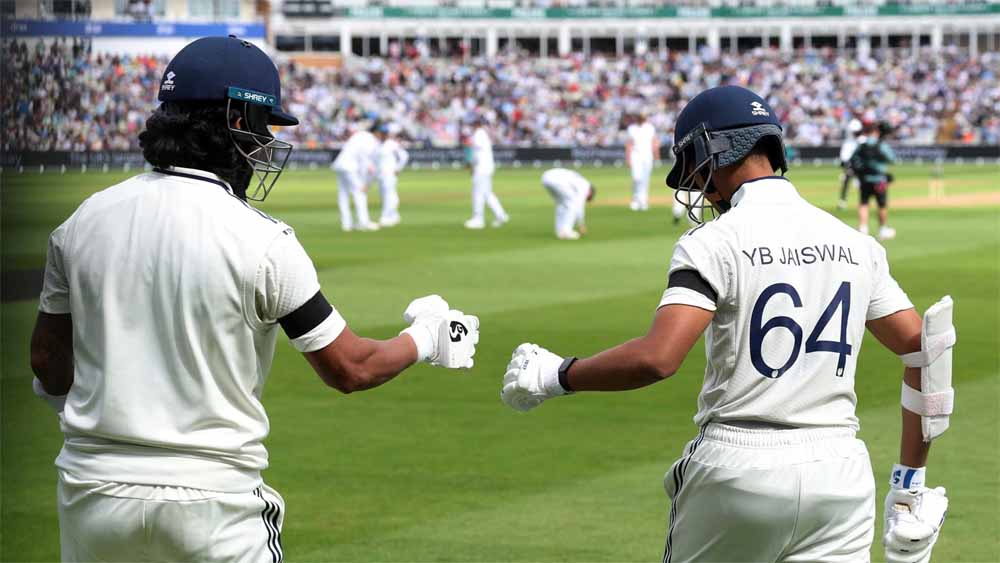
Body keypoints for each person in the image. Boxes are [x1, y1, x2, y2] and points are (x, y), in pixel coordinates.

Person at [30, 36, 480, 562]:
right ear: (238, 120)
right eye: (264, 125)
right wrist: (428, 337)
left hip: (91, 494)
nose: (267, 142)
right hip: (213, 502)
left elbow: (47, 363)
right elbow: (351, 368)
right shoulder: (263, 240)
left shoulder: (82, 221)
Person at [500, 86, 952, 563]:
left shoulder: (713, 241)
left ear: (711, 151)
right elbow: (926, 352)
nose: (696, 185)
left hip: (739, 465)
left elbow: (658, 358)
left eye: (694, 168)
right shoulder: (857, 244)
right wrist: (909, 486)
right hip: (841, 475)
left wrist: (558, 375)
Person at [333, 122, 385, 232]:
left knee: (343, 195)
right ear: (376, 132)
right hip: (350, 166)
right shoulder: (371, 140)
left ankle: (346, 224)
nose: (382, 135)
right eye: (381, 133)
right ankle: (363, 222)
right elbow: (364, 158)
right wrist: (364, 182)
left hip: (340, 164)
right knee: (360, 192)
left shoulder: (360, 134)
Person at [850, 120, 897, 240]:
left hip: (864, 179)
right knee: (881, 205)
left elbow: (853, 159)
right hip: (879, 179)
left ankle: (863, 228)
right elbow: (892, 159)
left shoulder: (862, 145)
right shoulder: (881, 145)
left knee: (863, 203)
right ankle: (882, 229)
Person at [464, 118, 509, 230]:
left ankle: (478, 219)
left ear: (476, 125)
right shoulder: (483, 134)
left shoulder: (478, 134)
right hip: (487, 167)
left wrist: (471, 165)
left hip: (481, 168)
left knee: (478, 193)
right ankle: (501, 215)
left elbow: (476, 153)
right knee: (487, 193)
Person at [540, 167, 595, 240]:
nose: (586, 199)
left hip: (545, 178)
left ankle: (560, 231)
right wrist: (581, 224)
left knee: (561, 204)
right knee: (572, 203)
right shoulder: (585, 186)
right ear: (590, 192)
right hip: (555, 180)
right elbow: (579, 204)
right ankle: (567, 232)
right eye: (588, 197)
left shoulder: (581, 180)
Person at [376, 123, 409, 227]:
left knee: (389, 195)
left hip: (389, 173)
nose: (381, 135)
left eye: (383, 133)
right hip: (381, 174)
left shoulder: (391, 144)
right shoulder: (379, 144)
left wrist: (398, 168)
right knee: (385, 195)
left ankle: (385, 217)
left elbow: (404, 156)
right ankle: (394, 216)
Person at [625, 112, 659, 211]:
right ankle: (635, 199)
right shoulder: (631, 128)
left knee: (645, 180)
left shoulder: (650, 128)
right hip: (635, 155)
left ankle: (643, 201)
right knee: (636, 178)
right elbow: (629, 144)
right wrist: (628, 158)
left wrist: (656, 156)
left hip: (647, 156)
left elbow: (654, 142)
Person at [837, 118, 863, 210]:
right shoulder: (848, 142)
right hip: (850, 168)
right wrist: (848, 168)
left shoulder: (862, 140)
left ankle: (863, 202)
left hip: (861, 167)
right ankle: (842, 201)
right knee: (846, 183)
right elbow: (843, 159)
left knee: (863, 185)